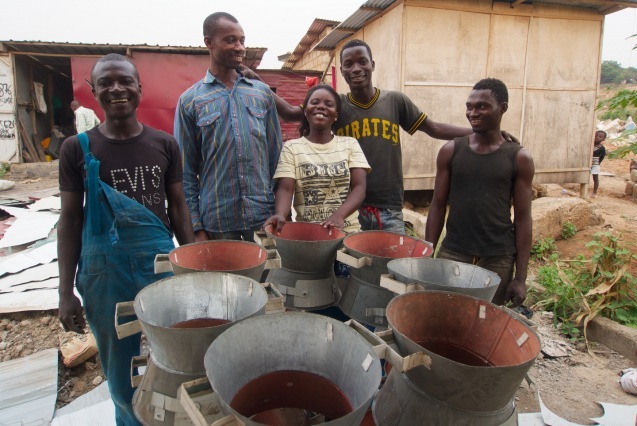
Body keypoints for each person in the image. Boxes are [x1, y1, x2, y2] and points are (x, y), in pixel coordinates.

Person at [245, 39, 517, 234]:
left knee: (388, 273)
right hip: (348, 209)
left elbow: (433, 128)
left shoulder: (395, 101)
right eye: (348, 64)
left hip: (388, 206)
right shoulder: (335, 106)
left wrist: (478, 130)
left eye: (362, 61)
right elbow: (294, 114)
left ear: (372, 64)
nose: (356, 68)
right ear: (342, 70)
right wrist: (260, 84)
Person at [58, 53, 194, 425]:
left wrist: (196, 263)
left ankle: (172, 416)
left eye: (124, 81)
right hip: (104, 272)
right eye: (106, 83)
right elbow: (69, 220)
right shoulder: (76, 148)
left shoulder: (165, 144)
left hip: (159, 265)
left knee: (175, 350)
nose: (116, 89)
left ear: (139, 87)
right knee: (119, 363)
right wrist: (65, 291)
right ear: (93, 91)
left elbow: (179, 208)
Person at [425, 78, 535, 307]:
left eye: (482, 106)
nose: (472, 113)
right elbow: (437, 205)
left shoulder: (519, 157)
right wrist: (427, 254)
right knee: (446, 316)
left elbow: (523, 218)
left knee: (485, 323)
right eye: (469, 106)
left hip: (497, 257)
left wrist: (520, 278)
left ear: (502, 108)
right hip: (454, 252)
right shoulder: (451, 151)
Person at [174, 12, 283, 242]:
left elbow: (277, 159)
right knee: (223, 278)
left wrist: (281, 211)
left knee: (267, 277)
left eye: (242, 40)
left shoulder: (261, 93)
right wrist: (196, 226)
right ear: (209, 42)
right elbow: (185, 173)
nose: (240, 47)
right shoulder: (190, 101)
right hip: (217, 223)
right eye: (230, 40)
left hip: (262, 219)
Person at [263, 84, 370, 235]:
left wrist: (339, 216)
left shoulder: (350, 144)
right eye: (315, 102)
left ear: (336, 115)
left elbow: (359, 188)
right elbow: (286, 189)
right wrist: (281, 214)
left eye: (329, 104)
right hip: (309, 235)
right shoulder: (291, 148)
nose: (321, 107)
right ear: (305, 111)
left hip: (347, 233)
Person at [591, 130, 607, 198]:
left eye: (600, 137)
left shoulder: (602, 148)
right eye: (596, 136)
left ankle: (594, 192)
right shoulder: (590, 145)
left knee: (595, 178)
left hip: (595, 164)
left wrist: (598, 163)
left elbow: (602, 156)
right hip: (587, 164)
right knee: (584, 176)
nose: (597, 137)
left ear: (603, 139)